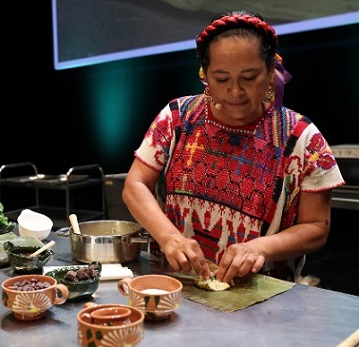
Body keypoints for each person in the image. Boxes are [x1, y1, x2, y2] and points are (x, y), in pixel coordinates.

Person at [122, 10, 345, 284]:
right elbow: (135, 185)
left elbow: (316, 227)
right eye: (222, 78)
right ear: (205, 75)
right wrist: (170, 238)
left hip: (263, 299)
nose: (236, 91)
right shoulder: (177, 118)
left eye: (249, 78)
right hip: (173, 286)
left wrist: (258, 248)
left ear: (270, 70)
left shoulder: (303, 140)